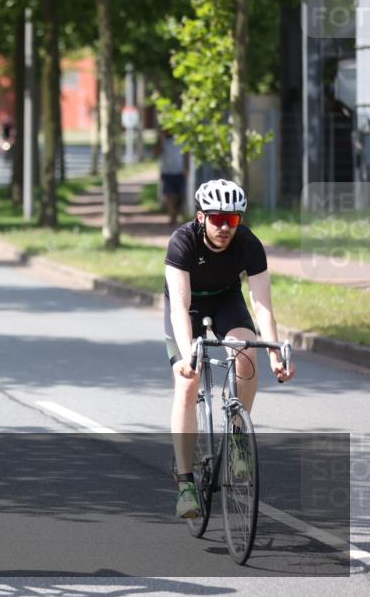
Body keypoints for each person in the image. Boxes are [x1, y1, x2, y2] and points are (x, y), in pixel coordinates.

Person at [165, 179, 295, 519]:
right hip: (188, 309)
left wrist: (274, 353)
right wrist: (187, 356)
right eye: (218, 219)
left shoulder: (248, 244)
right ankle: (186, 484)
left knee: (246, 357)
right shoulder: (182, 241)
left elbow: (262, 305)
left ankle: (237, 440)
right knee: (188, 381)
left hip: (226, 301)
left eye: (232, 220)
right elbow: (179, 307)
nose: (225, 227)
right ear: (201, 217)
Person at [156, 128, 188, 225]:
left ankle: (175, 214)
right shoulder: (162, 141)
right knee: (169, 195)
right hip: (166, 172)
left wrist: (187, 168)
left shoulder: (181, 140)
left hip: (179, 172)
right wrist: (161, 139)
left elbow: (186, 154)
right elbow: (156, 152)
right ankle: (171, 216)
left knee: (180, 196)